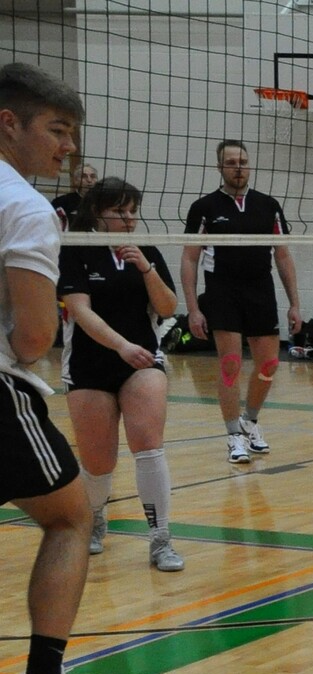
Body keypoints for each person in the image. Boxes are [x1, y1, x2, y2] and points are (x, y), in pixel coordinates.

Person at [1, 62, 99, 674]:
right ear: (9, 123)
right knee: (70, 517)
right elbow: (36, 335)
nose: (68, 146)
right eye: (57, 130)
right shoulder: (26, 207)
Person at [57, 177, 183, 572]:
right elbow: (80, 311)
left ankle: (161, 539)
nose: (129, 219)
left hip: (142, 363)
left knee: (148, 445)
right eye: (119, 211)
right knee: (98, 462)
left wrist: (146, 268)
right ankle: (95, 517)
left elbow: (168, 307)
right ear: (98, 213)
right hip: (89, 365)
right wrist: (121, 346)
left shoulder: (146, 251)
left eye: (132, 211)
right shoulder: (75, 249)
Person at [181, 139, 302, 465]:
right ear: (220, 167)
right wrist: (193, 309)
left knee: (269, 364)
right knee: (231, 363)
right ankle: (234, 434)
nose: (238, 168)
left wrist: (295, 303)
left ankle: (250, 420)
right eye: (231, 162)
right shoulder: (204, 208)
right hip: (222, 290)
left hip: (260, 289)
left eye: (243, 162)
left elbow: (283, 255)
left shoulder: (268, 205)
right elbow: (190, 258)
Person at [48, 158, 95, 228]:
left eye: (93, 176)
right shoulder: (61, 202)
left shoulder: (102, 202)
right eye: (84, 176)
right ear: (75, 181)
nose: (89, 180)